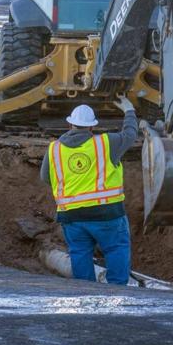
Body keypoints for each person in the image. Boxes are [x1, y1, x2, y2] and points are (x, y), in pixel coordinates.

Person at [40, 104, 141, 285]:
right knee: (116, 248)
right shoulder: (106, 143)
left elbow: (45, 177)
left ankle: (85, 293)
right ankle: (117, 292)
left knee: (79, 253)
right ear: (92, 127)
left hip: (72, 215)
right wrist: (129, 111)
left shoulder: (54, 149)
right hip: (107, 214)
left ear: (70, 125)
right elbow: (130, 134)